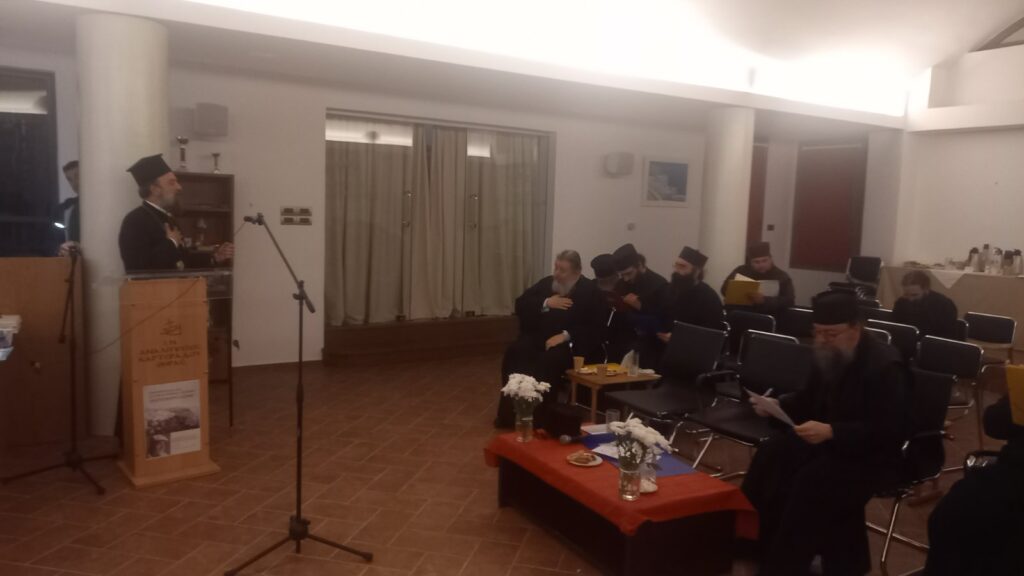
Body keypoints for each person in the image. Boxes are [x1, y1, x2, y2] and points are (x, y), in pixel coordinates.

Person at [741, 290, 908, 575]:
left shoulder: (885, 366)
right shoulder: (830, 354)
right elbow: (809, 399)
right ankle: (752, 544)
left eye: (831, 334)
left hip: (871, 454)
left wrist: (834, 431)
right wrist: (778, 405)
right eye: (817, 332)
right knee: (772, 454)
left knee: (812, 481)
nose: (822, 340)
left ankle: (783, 567)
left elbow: (890, 429)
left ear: (856, 329)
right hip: (829, 441)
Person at [496, 250, 605, 428]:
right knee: (515, 352)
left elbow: (595, 327)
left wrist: (565, 335)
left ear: (577, 272)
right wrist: (546, 302)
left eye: (563, 270)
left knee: (549, 360)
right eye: (556, 268)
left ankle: (539, 419)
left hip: (569, 345)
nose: (557, 274)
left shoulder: (590, 292)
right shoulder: (547, 283)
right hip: (538, 338)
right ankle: (510, 415)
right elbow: (521, 303)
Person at [923, 393, 1024, 575]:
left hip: (1012, 479)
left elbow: (994, 424)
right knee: (953, 514)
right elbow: (993, 423)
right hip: (1010, 474)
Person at [119, 154, 234, 272]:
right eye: (172, 182)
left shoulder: (169, 219)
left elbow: (182, 261)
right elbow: (138, 267)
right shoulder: (134, 221)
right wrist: (171, 243)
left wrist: (215, 257)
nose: (179, 187)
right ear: (155, 189)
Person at [612, 243, 668, 368]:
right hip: (624, 341)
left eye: (629, 273)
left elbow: (663, 323)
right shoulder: (621, 284)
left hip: (651, 346)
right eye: (622, 275)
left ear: (639, 265)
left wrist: (640, 306)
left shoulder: (660, 285)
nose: (626, 279)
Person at [657, 246, 724, 341]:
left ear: (697, 271)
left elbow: (711, 333)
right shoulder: (668, 289)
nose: (677, 270)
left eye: (682, 266)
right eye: (676, 265)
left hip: (690, 345)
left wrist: (678, 338)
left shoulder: (709, 298)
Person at [720, 241, 795, 316]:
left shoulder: (781, 276)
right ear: (750, 262)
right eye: (756, 262)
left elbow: (789, 300)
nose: (761, 265)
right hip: (740, 313)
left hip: (766, 316)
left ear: (771, 259)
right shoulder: (741, 271)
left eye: (764, 260)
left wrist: (764, 300)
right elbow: (724, 289)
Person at [591, 253, 633, 363]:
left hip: (621, 340)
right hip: (595, 340)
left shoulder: (627, 287)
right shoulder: (590, 289)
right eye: (602, 282)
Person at [892, 270, 958, 339]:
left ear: (926, 289)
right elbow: (896, 329)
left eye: (915, 295)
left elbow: (947, 337)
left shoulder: (944, 305)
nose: (910, 299)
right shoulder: (901, 302)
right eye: (906, 294)